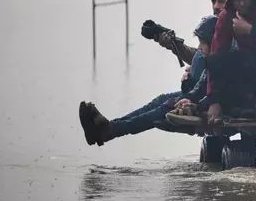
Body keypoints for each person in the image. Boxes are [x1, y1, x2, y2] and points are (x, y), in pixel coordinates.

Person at [78, 15, 217, 146]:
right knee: (160, 101)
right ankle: (110, 127)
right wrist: (172, 43)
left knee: (166, 106)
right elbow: (200, 62)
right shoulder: (213, 32)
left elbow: (214, 80)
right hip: (196, 91)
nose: (217, 6)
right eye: (214, 1)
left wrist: (194, 99)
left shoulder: (228, 41)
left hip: (205, 96)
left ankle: (110, 130)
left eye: (221, 1)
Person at [157, 0, 228, 65]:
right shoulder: (212, 27)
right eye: (213, 2)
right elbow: (201, 58)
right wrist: (174, 44)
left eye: (222, 1)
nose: (215, 6)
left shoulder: (241, 31)